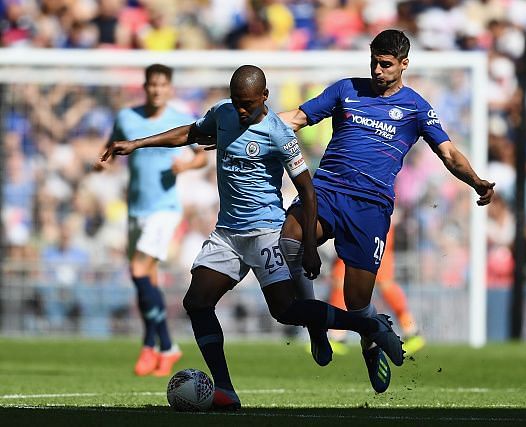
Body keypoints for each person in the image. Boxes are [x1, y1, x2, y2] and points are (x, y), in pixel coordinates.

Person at [102, 65, 405, 410]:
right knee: (196, 303)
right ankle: (226, 390)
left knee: (286, 311)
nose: (241, 110)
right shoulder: (223, 113)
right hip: (228, 233)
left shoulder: (279, 134)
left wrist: (308, 247)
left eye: (248, 104)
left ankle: (367, 324)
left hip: (265, 232)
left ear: (264, 97)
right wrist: (138, 144)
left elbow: (307, 192)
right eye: (237, 102)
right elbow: (190, 133)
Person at [278, 29, 495, 394]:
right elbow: (297, 118)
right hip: (328, 190)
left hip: (371, 207)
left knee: (357, 301)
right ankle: (316, 324)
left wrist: (476, 181)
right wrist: (250, 124)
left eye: (386, 64)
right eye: (373, 62)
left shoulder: (416, 107)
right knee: (290, 241)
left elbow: (448, 154)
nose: (377, 70)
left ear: (403, 64)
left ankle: (369, 339)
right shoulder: (346, 89)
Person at [96, 64, 208, 377]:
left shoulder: (179, 121)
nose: (157, 90)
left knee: (138, 268)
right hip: (136, 208)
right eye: (152, 85)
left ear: (169, 88)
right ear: (145, 87)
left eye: (162, 85)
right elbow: (111, 147)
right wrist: (102, 163)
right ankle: (157, 346)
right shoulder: (126, 118)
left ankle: (162, 345)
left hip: (164, 208)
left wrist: (186, 166)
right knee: (146, 279)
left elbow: (201, 155)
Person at [328, 225, 426, 356]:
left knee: (385, 282)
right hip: (352, 226)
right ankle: (337, 336)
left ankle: (411, 330)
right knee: (340, 279)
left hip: (375, 224)